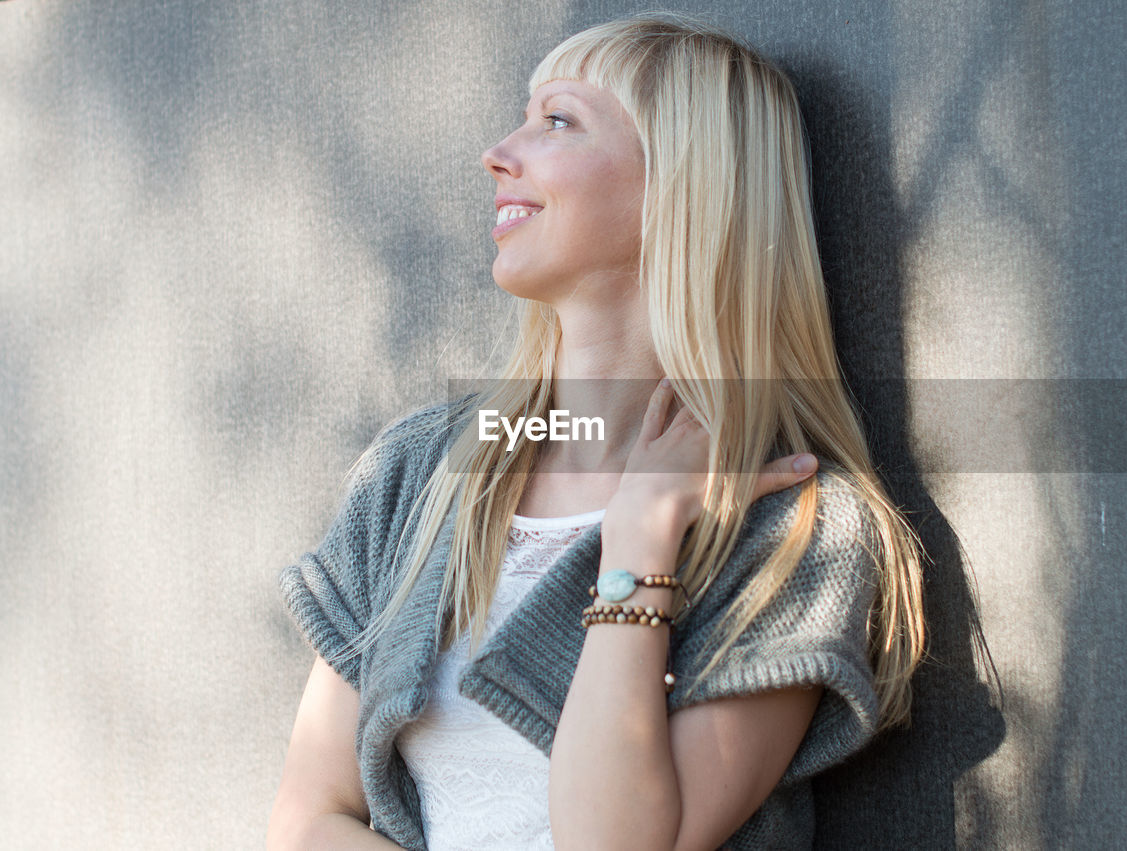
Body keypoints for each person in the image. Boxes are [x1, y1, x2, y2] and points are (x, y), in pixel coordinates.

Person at [268, 13, 925, 851]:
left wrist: (640, 542)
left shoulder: (796, 530)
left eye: (558, 121)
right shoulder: (422, 470)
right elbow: (307, 821)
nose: (498, 153)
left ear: (682, 186)